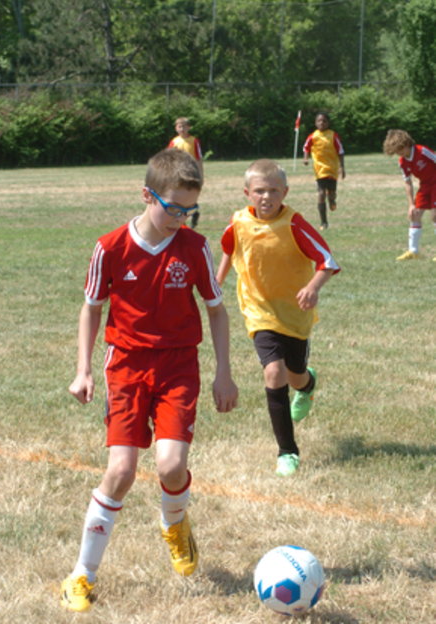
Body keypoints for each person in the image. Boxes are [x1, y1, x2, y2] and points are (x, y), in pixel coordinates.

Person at [60, 148, 238, 612]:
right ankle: (81, 575)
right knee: (120, 472)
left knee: (171, 467)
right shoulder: (110, 247)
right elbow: (91, 309)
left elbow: (217, 311)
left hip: (179, 366)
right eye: (173, 208)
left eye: (189, 210)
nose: (181, 218)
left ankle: (174, 524)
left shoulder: (195, 247)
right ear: (147, 195)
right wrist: (83, 369)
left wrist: (223, 372)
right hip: (126, 366)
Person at [216, 159, 339, 478]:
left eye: (273, 190)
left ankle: (307, 385)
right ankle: (287, 451)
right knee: (274, 372)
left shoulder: (294, 223)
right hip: (258, 310)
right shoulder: (239, 222)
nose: (266, 197)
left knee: (295, 375)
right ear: (247, 193)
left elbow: (327, 261)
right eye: (259, 191)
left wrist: (313, 287)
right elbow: (229, 248)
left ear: (285, 192)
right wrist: (216, 283)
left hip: (295, 313)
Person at [383, 129, 436, 262]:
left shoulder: (422, 151)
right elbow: (408, 182)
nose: (399, 153)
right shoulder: (402, 162)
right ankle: (413, 251)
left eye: (400, 149)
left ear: (407, 144)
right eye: (396, 151)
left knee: (435, 216)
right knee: (414, 215)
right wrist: (411, 204)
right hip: (425, 186)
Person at [303, 112, 346, 231]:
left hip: (332, 169)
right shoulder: (313, 136)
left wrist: (342, 167)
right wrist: (306, 158)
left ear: (328, 123)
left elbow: (341, 151)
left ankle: (332, 200)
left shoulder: (333, 135)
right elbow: (306, 148)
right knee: (321, 194)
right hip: (319, 169)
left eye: (324, 121)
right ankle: (324, 222)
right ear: (315, 123)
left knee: (331, 193)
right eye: (319, 121)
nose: (322, 123)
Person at [167, 117, 204, 228]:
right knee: (179, 196)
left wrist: (200, 174)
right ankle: (183, 221)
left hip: (191, 172)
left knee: (189, 195)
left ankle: (194, 212)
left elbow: (198, 158)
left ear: (189, 127)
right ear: (176, 128)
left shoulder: (194, 141)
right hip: (178, 173)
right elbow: (170, 158)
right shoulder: (174, 142)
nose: (182, 129)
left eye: (184, 126)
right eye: (180, 127)